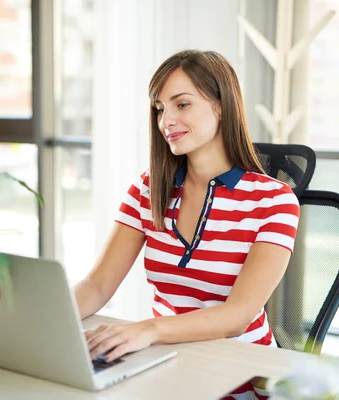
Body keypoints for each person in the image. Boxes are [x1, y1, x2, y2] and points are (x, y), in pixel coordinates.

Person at [74, 49, 300, 364]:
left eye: (182, 104)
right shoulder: (148, 189)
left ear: (221, 107)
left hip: (243, 369)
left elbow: (236, 316)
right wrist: (48, 319)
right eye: (159, 108)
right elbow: (97, 286)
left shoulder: (274, 200)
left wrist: (148, 329)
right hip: (169, 360)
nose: (166, 121)